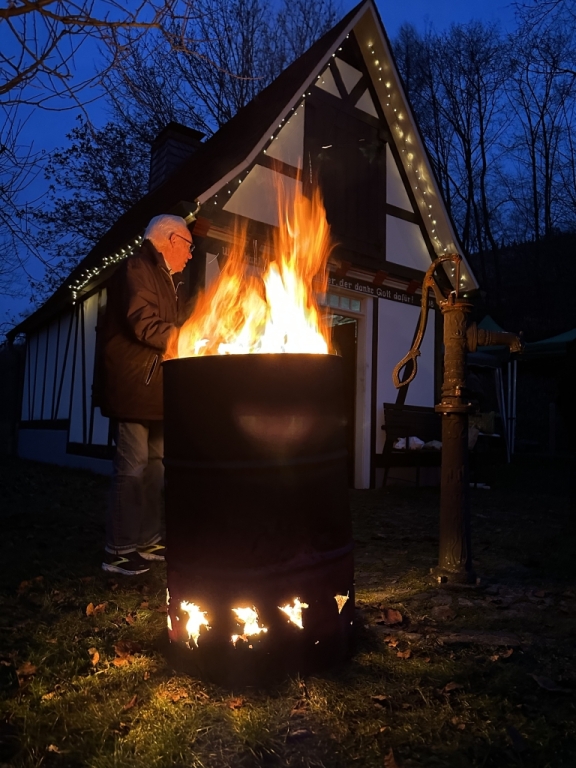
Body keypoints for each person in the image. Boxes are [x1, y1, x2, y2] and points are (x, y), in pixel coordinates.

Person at [96, 214, 195, 575]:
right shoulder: (136, 268)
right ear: (171, 240)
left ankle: (147, 540)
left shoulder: (167, 280)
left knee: (155, 467)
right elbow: (144, 323)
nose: (190, 254)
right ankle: (119, 550)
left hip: (156, 388)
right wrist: (190, 337)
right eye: (189, 246)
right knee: (133, 467)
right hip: (134, 386)